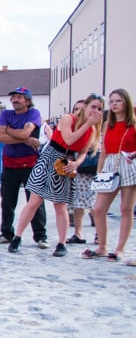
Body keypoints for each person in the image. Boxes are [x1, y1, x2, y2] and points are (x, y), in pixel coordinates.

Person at [10, 94, 103, 256]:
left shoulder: (92, 129)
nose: (95, 111)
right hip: (51, 156)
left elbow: (82, 152)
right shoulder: (68, 119)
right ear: (85, 107)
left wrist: (76, 163)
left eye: (99, 109)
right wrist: (87, 124)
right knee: (34, 201)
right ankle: (17, 237)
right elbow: (68, 139)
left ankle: (61, 243)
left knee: (60, 205)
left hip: (67, 161)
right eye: (93, 107)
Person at [0, 86, 48, 248]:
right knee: (7, 201)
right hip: (10, 163)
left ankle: (40, 236)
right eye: (14, 97)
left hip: (30, 164)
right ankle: (6, 233)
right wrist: (25, 140)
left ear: (28, 101)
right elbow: (1, 137)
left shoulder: (33, 114)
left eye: (19, 97)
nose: (15, 100)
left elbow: (24, 133)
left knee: (35, 201)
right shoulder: (6, 114)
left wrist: (9, 129)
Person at [87, 90, 136, 261]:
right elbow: (104, 151)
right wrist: (99, 173)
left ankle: (120, 248)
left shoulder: (134, 124)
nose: (114, 104)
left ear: (126, 103)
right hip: (109, 164)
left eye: (118, 101)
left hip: (128, 163)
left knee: (126, 209)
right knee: (99, 209)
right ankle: (102, 246)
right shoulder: (108, 124)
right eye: (112, 101)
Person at [68, 100, 97, 244]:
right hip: (75, 169)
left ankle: (99, 233)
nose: (78, 112)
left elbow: (92, 146)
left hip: (91, 168)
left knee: (95, 202)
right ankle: (78, 233)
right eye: (76, 109)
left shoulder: (94, 126)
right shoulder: (73, 125)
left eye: (81, 109)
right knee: (78, 201)